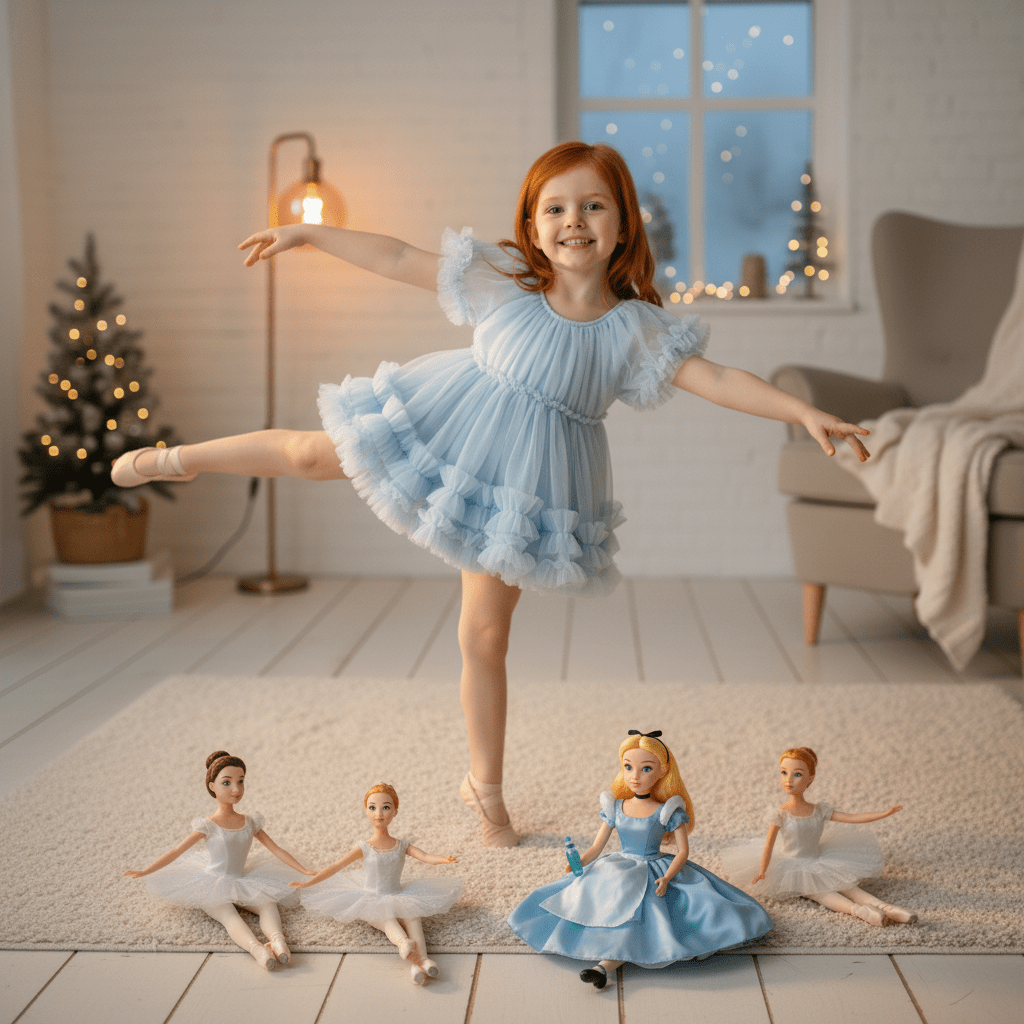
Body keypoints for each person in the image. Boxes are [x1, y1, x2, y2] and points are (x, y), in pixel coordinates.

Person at [112, 142, 870, 848]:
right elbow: (399, 256)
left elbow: (721, 380)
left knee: (485, 637)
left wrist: (803, 411)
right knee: (314, 451)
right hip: (454, 416)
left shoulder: (637, 327)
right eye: (557, 208)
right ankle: (182, 458)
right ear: (534, 227)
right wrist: (310, 235)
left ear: (623, 225)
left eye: (594, 206)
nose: (574, 221)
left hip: (527, 483)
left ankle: (485, 786)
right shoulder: (505, 278)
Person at [507, 730, 773, 989]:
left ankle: (603, 967)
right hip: (617, 866)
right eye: (628, 767)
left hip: (655, 869)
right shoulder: (615, 807)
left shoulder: (668, 811)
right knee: (589, 903)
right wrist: (580, 861)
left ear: (662, 772)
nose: (635, 776)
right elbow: (597, 846)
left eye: (646, 768)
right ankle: (601, 964)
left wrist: (668, 877)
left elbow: (682, 852)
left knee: (648, 918)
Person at [123, 750, 314, 970]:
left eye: (240, 782)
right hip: (212, 882)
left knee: (267, 904)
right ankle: (258, 950)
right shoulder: (208, 825)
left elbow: (276, 849)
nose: (236, 790)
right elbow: (177, 851)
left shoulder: (250, 821)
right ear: (212, 786)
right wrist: (146, 871)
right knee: (229, 915)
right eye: (227, 783)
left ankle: (279, 942)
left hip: (243, 877)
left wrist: (303, 869)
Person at [718, 746, 917, 926]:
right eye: (784, 773)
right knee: (822, 893)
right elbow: (769, 846)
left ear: (810, 778)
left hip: (820, 857)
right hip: (792, 865)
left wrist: (883, 813)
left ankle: (889, 909)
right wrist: (763, 871)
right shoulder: (780, 813)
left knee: (849, 887)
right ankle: (862, 912)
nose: (788, 780)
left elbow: (852, 818)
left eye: (797, 774)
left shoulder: (820, 810)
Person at [290, 783, 462, 984]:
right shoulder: (364, 847)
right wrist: (308, 882)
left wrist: (443, 859)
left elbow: (424, 855)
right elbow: (337, 865)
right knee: (388, 920)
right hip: (371, 897)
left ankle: (421, 961)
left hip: (399, 893)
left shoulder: (401, 845)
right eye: (372, 807)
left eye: (385, 807)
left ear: (395, 811)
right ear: (366, 810)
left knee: (414, 919)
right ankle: (403, 944)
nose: (378, 813)